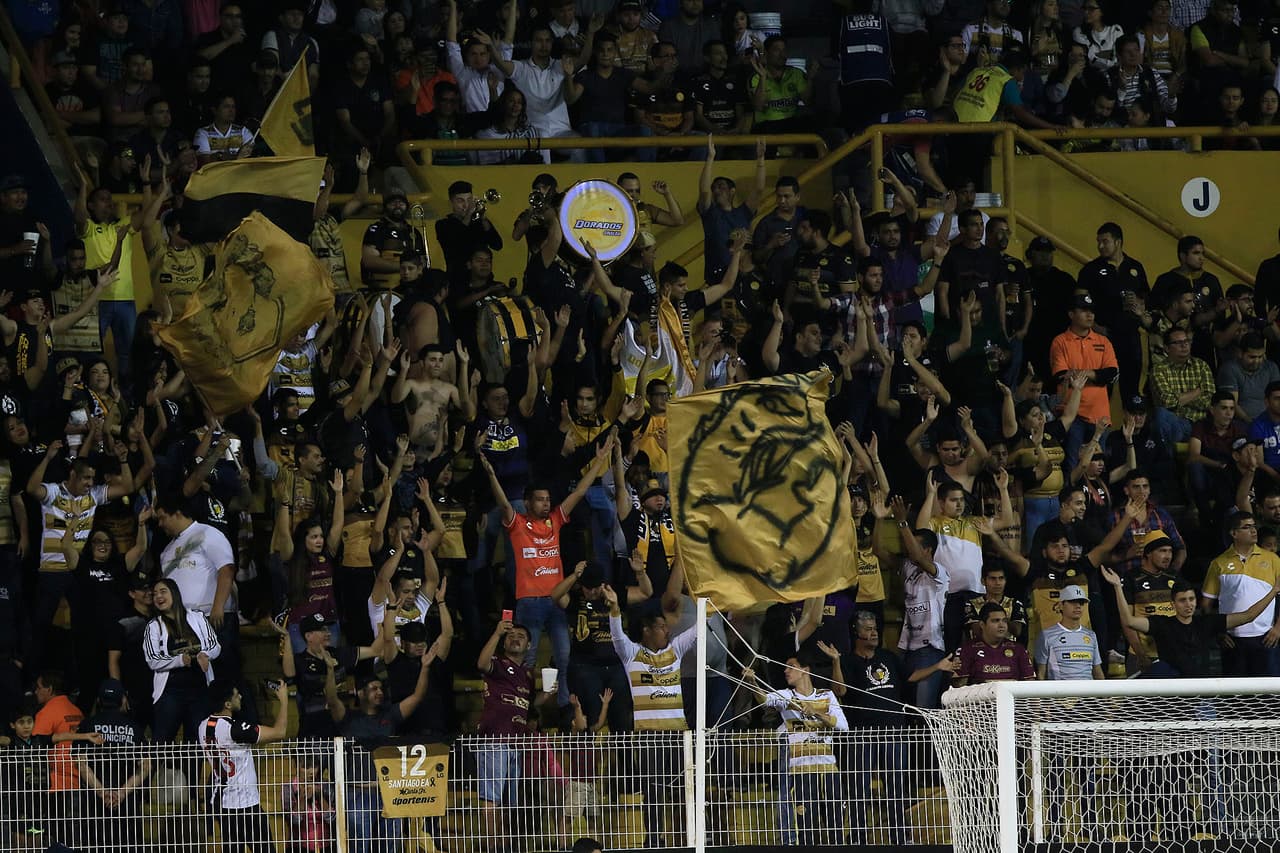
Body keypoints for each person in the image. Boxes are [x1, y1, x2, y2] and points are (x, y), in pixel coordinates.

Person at [477, 436, 614, 707]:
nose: (545, 504)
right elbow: (504, 504)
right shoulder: (517, 524)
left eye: (547, 500)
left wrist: (598, 461)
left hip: (556, 603)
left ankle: (563, 708)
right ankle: (523, 707)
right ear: (527, 503)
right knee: (524, 661)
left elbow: (577, 494)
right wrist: (492, 475)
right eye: (540, 500)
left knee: (564, 657)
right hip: (528, 603)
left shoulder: (555, 520)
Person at [605, 581, 697, 843]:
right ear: (646, 631)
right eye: (661, 627)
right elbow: (616, 636)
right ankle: (653, 839)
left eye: (666, 626)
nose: (666, 630)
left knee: (682, 789)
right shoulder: (631, 654)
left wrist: (708, 603)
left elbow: (698, 631)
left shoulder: (675, 650)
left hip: (678, 735)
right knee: (653, 791)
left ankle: (684, 838)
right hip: (649, 737)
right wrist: (614, 607)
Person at [742, 650, 848, 846]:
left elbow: (844, 727)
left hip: (828, 770)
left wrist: (816, 713)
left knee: (836, 826)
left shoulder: (827, 695)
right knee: (805, 827)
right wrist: (752, 682)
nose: (785, 671)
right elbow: (766, 700)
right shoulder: (787, 696)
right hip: (800, 771)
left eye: (790, 666)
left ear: (805, 670)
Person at [1106, 566, 1280, 678]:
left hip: (1201, 693)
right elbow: (1128, 621)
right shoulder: (1161, 623)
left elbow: (1248, 615)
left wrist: (1275, 590)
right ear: (1173, 603)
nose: (1188, 604)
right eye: (1183, 600)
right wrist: (1116, 587)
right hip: (1171, 695)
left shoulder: (1206, 623)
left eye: (1191, 599)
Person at [475, 618, 547, 845]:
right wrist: (496, 633)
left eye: (521, 636)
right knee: (492, 798)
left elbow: (530, 705)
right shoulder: (497, 662)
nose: (515, 638)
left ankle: (506, 843)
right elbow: (481, 664)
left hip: (517, 742)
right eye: (511, 635)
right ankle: (493, 844)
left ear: (529, 646)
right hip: (495, 738)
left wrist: (548, 694)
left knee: (509, 801)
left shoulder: (527, 674)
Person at [198, 678, 290, 851]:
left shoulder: (202, 727)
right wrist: (284, 701)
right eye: (235, 695)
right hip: (245, 805)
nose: (240, 696)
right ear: (227, 704)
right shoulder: (234, 729)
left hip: (222, 805)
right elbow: (280, 731)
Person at [1202, 512, 1280, 677]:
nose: (1253, 530)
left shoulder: (1273, 559)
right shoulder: (1218, 563)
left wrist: (1278, 628)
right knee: (1235, 697)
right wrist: (1219, 632)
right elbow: (1206, 605)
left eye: (1254, 526)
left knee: (1268, 696)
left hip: (1267, 638)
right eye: (1247, 527)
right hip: (1232, 641)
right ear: (1233, 533)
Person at [144, 577, 221, 742]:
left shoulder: (198, 617)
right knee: (161, 742)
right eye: (155, 594)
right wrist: (180, 660)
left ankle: (189, 770)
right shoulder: (153, 626)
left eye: (163, 591)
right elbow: (152, 659)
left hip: (199, 690)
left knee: (197, 743)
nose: (158, 596)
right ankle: (153, 769)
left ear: (175, 593)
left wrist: (204, 654)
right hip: (170, 692)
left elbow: (215, 645)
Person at [953, 602, 1036, 685]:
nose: (1001, 625)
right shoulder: (967, 649)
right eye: (995, 621)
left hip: (1012, 697)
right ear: (982, 624)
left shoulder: (1019, 649)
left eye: (1004, 621)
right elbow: (959, 687)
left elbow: (1031, 685)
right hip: (979, 697)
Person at [1034, 584, 1104, 679]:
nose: (1078, 606)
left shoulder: (1091, 635)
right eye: (1072, 602)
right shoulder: (1047, 636)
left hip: (1088, 692)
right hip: (1060, 692)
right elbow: (1041, 674)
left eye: (1081, 602)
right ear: (1061, 605)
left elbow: (1097, 671)